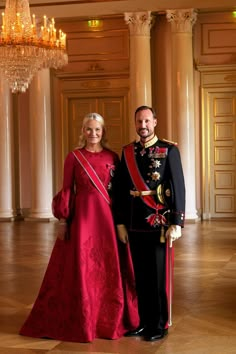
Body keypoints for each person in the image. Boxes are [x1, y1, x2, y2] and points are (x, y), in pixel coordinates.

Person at [19, 112, 139, 343]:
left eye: (97, 129)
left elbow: (119, 193)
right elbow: (67, 190)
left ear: (103, 132)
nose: (93, 134)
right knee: (83, 268)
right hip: (83, 220)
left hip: (107, 220)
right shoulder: (73, 157)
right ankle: (84, 320)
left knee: (107, 267)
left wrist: (122, 222)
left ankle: (107, 321)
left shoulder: (113, 157)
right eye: (89, 129)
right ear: (83, 131)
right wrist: (63, 220)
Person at [113, 105, 185, 342]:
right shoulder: (128, 152)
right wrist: (121, 223)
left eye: (146, 121)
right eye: (138, 122)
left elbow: (178, 187)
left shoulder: (169, 150)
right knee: (141, 276)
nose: (142, 126)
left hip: (159, 223)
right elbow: (121, 190)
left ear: (154, 122)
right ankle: (144, 322)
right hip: (134, 224)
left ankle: (159, 324)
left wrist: (177, 222)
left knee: (157, 277)